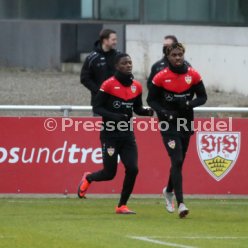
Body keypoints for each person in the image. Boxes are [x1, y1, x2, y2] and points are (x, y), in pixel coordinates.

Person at [77, 53, 154, 214]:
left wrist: (147, 112)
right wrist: (115, 116)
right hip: (110, 135)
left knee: (133, 169)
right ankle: (89, 178)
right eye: (124, 63)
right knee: (109, 173)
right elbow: (97, 108)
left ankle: (121, 205)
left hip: (127, 136)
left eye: (130, 62)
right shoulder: (108, 85)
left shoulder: (137, 86)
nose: (128, 65)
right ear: (117, 66)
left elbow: (137, 108)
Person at [147, 43, 207, 218]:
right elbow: (152, 100)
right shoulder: (160, 77)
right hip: (168, 123)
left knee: (178, 162)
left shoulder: (193, 74)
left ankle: (168, 191)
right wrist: (164, 112)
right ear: (168, 56)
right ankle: (181, 203)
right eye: (174, 55)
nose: (178, 58)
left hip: (185, 122)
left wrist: (189, 103)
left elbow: (203, 97)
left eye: (180, 54)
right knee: (177, 158)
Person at [80, 29, 120, 114]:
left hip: (118, 103)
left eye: (116, 39)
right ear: (105, 40)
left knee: (119, 127)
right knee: (99, 127)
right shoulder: (92, 58)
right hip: (100, 104)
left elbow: (127, 75)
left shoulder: (119, 56)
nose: (115, 42)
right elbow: (84, 78)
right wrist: (99, 91)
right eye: (113, 40)